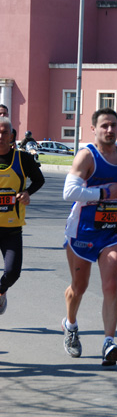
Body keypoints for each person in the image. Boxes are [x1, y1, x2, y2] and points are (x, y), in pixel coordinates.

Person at [62, 108, 117, 366]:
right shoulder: (86, 156)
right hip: (82, 230)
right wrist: (103, 193)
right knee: (79, 287)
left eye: (113, 125)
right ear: (94, 129)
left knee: (111, 285)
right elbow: (69, 192)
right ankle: (70, 325)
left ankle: (108, 342)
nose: (110, 130)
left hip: (112, 231)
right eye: (104, 126)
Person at [0, 116, 44, 314]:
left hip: (11, 228)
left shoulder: (23, 159)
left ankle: (1, 291)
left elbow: (39, 180)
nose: (0, 136)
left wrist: (27, 193)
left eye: (4, 132)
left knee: (12, 273)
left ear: (11, 136)